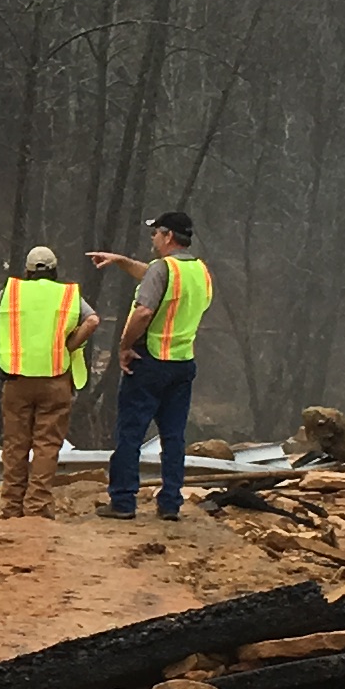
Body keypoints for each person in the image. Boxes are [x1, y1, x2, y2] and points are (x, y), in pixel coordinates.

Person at [85, 211, 215, 520]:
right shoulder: (198, 270)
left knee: (130, 433)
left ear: (168, 236)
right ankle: (170, 503)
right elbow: (156, 277)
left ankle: (123, 501)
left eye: (156, 233)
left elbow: (144, 311)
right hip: (182, 363)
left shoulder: (163, 269)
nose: (153, 238)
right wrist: (120, 261)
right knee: (173, 437)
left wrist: (124, 346)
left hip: (150, 361)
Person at [0, 243, 91, 519]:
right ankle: (37, 508)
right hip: (55, 378)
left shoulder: (13, 292)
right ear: (55, 270)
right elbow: (92, 321)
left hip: (17, 377)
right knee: (46, 445)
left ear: (28, 271)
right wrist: (70, 345)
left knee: (15, 444)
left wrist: (4, 344)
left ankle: (11, 507)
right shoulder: (67, 294)